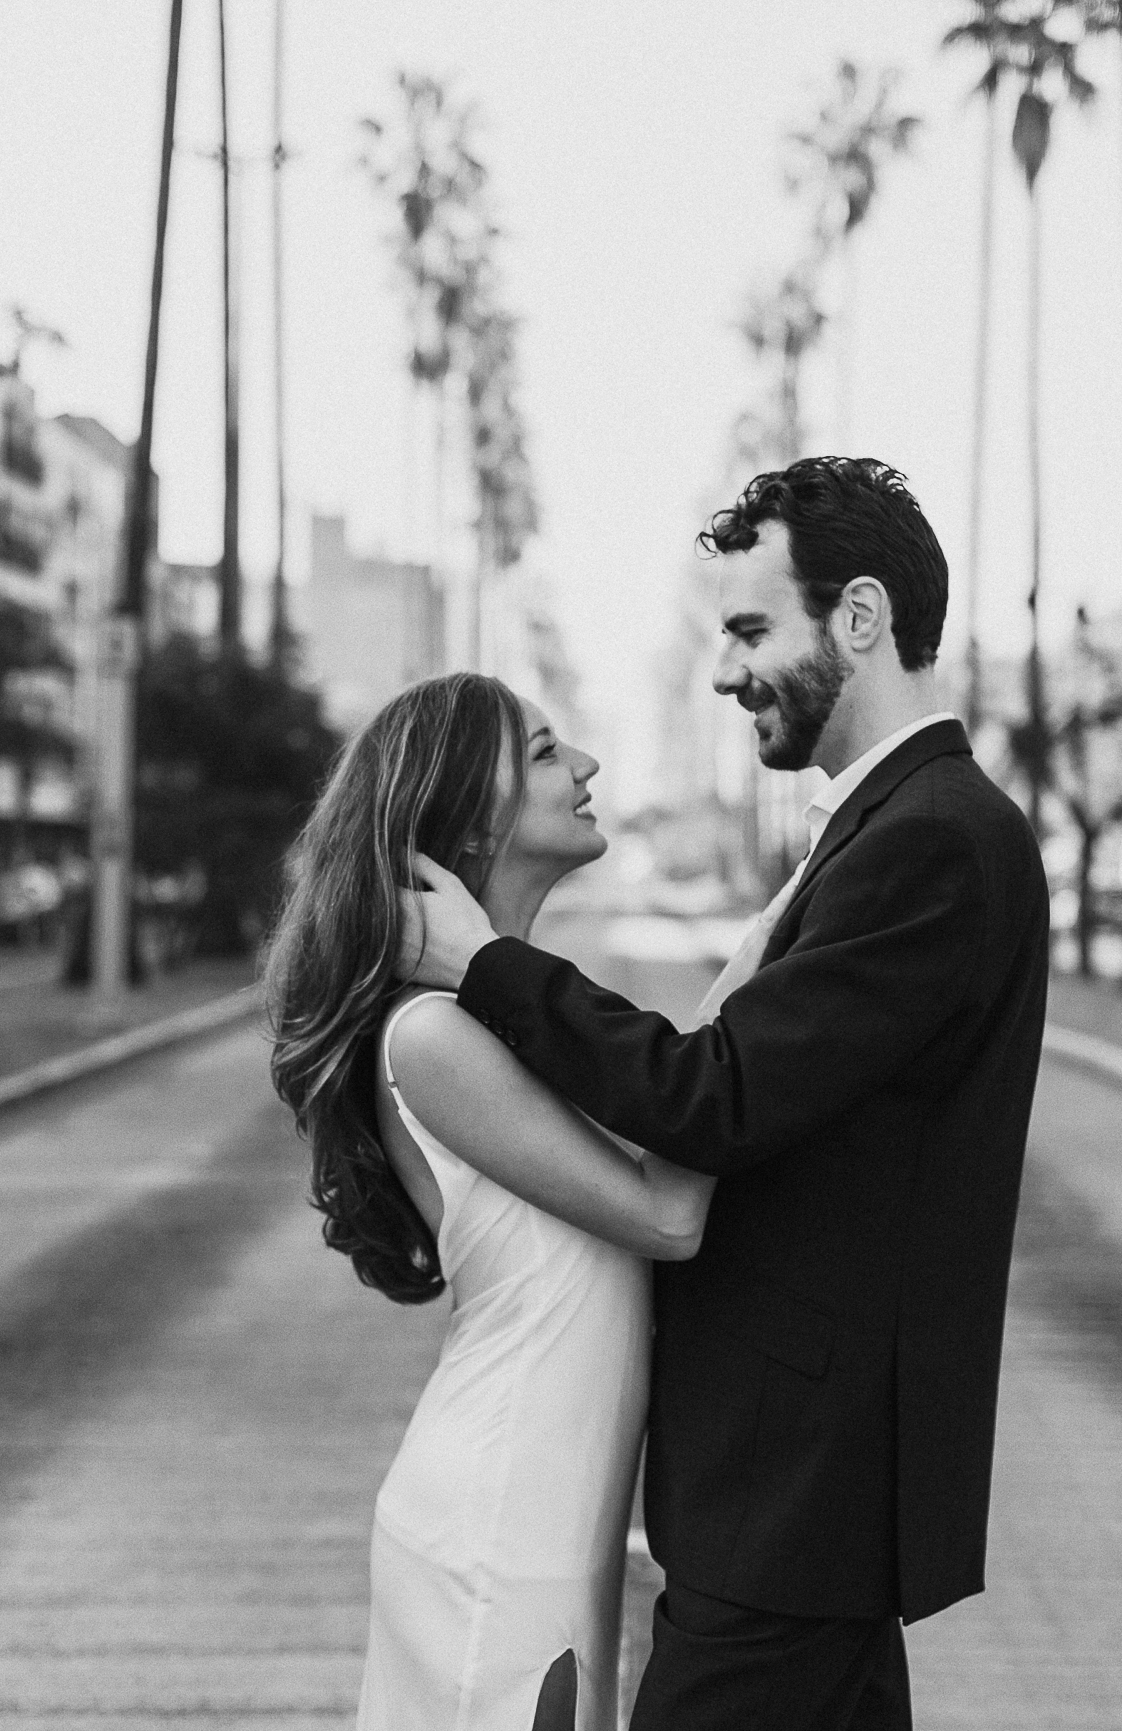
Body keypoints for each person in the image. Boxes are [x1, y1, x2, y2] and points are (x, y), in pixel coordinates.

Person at [400, 457, 1051, 1730]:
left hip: (795, 1501)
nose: (723, 671)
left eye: (752, 629)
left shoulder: (926, 839)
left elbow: (717, 1100)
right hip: (796, 1498)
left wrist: (485, 963)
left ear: (855, 619)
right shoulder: (888, 830)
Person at [265, 672, 715, 1731]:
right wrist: (754, 975)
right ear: (473, 811)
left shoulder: (500, 1013)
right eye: (550, 751)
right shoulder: (431, 1037)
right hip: (500, 1527)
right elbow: (666, 1216)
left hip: (552, 1516)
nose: (588, 767)